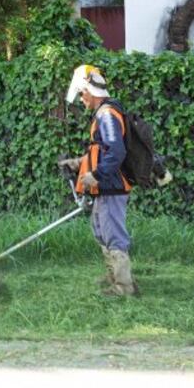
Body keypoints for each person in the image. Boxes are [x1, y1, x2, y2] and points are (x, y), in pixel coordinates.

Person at [58, 64, 138, 296]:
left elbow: (116, 152)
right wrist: (78, 163)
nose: (82, 99)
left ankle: (124, 287)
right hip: (104, 187)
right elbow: (100, 152)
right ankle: (113, 276)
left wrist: (96, 175)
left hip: (112, 186)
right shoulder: (102, 114)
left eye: (82, 94)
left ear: (88, 91)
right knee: (100, 231)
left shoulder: (107, 115)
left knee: (113, 234)